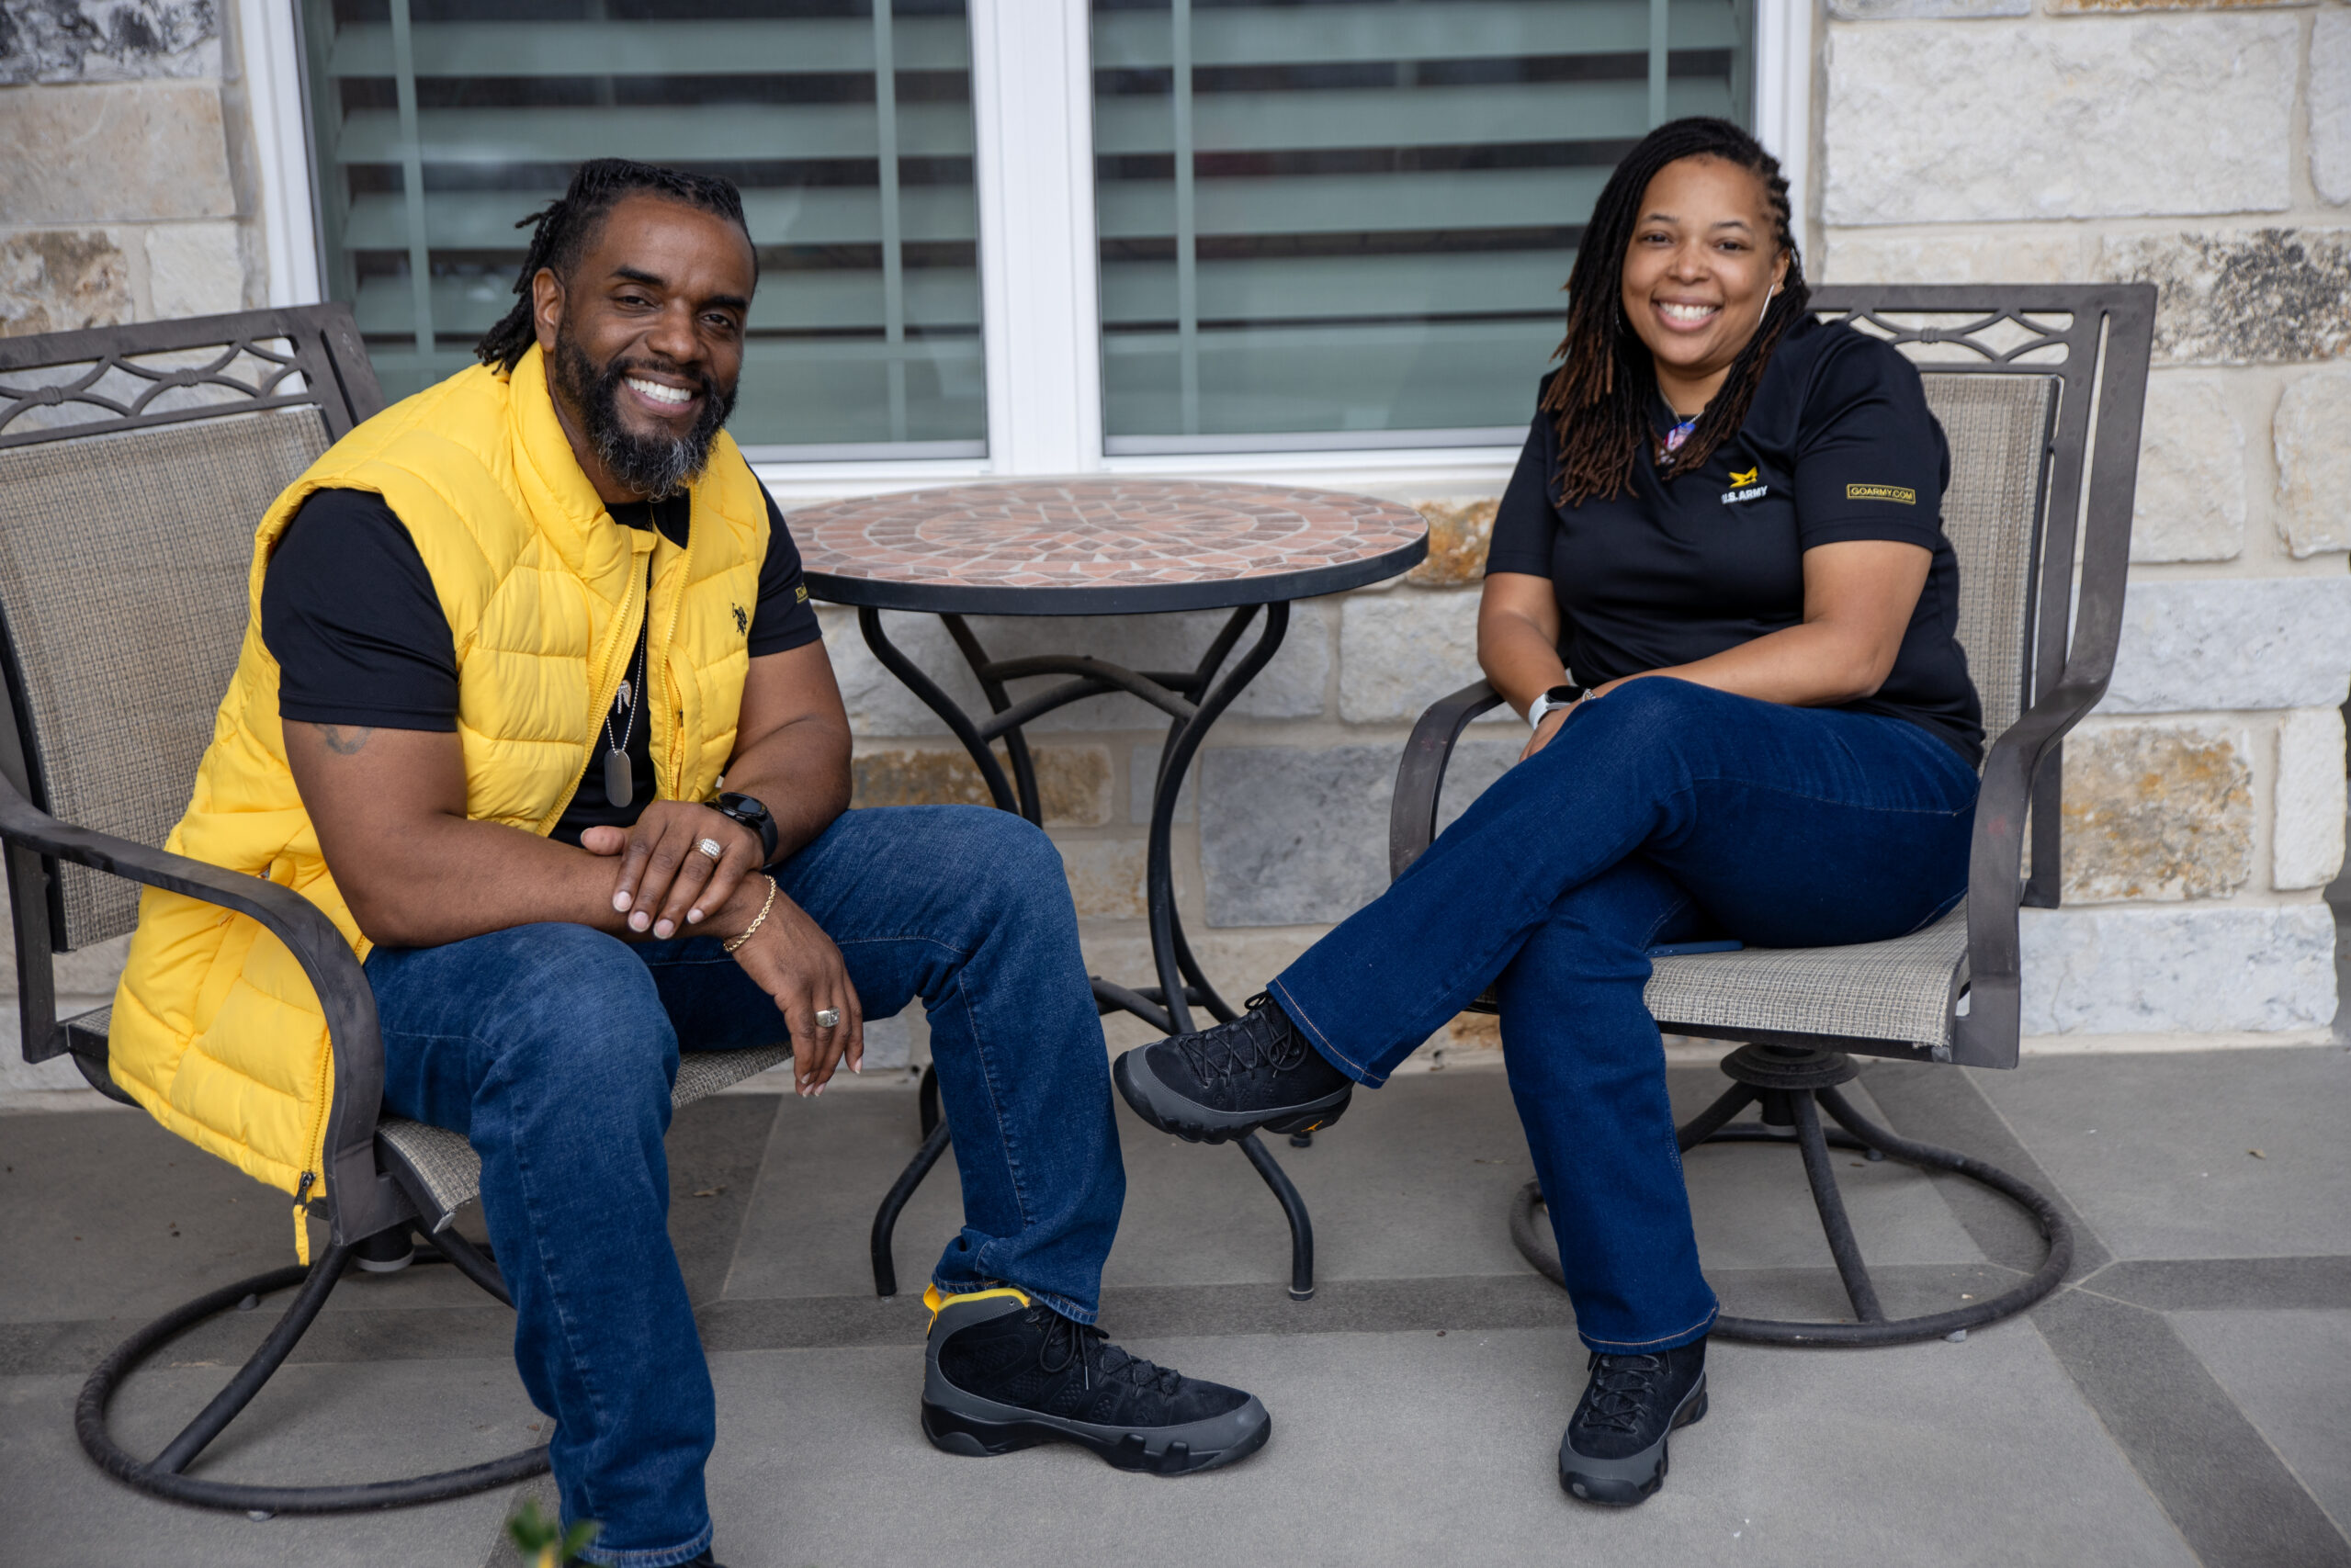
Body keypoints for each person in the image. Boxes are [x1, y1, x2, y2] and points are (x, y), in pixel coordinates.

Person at [108, 159, 1269, 1568]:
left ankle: (1015, 1332)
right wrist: (739, 905)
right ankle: (638, 1533)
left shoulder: (712, 487)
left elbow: (808, 739)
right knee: (578, 1007)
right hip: (341, 960)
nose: (682, 343)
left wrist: (740, 831)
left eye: (719, 316)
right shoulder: (383, 516)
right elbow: (399, 875)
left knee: (995, 874)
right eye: (638, 299)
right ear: (550, 306)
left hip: (612, 907)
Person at [1113, 118, 1982, 1508]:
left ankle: (1310, 1040)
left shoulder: (1847, 383)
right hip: (1658, 805)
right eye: (1659, 236)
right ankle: (1650, 1344)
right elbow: (1512, 617)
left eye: (1728, 242)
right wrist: (1559, 708)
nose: (1688, 268)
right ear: (1617, 256)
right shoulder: (1582, 405)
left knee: (1649, 724)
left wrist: (1627, 715)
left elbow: (1853, 648)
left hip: (1871, 800)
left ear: (1775, 271)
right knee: (1564, 945)